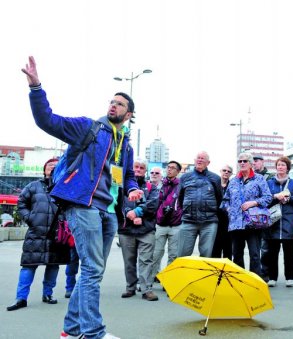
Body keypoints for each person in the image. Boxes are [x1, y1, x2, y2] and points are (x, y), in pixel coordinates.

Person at [23, 56, 143, 339]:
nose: (113, 104)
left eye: (120, 103)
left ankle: (71, 329)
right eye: (111, 101)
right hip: (83, 205)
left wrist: (134, 187)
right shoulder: (89, 128)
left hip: (108, 211)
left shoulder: (125, 145)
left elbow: (126, 176)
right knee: (91, 268)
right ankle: (93, 333)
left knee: (93, 272)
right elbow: (47, 120)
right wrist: (36, 88)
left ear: (129, 114)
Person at [7, 158, 67, 311]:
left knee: (53, 266)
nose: (53, 167)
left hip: (57, 234)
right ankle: (21, 298)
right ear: (44, 169)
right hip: (36, 233)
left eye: (56, 165)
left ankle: (48, 294)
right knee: (28, 266)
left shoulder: (65, 187)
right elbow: (21, 204)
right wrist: (30, 218)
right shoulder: (33, 186)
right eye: (50, 165)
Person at [221, 152, 272, 274]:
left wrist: (253, 203)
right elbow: (225, 200)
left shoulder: (259, 179)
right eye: (240, 161)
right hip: (236, 224)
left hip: (253, 223)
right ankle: (240, 281)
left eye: (245, 161)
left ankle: (255, 282)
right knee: (237, 255)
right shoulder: (233, 181)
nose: (242, 163)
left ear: (250, 164)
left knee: (254, 254)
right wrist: (229, 210)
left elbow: (268, 198)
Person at [118, 159, 159, 301]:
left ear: (145, 170)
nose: (138, 169)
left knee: (146, 260)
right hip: (126, 229)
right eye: (136, 167)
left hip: (146, 229)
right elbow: (118, 204)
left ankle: (146, 289)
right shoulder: (121, 186)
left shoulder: (151, 187)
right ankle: (130, 287)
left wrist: (138, 212)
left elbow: (153, 204)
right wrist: (130, 213)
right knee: (129, 260)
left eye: (142, 167)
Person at [265, 156, 293, 287]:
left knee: (289, 251)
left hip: (289, 220)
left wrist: (288, 199)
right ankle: (272, 277)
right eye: (278, 165)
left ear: (287, 168)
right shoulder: (269, 183)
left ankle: (290, 277)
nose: (280, 167)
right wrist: (276, 197)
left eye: (283, 165)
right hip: (273, 221)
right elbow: (264, 199)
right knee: (272, 252)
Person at [177, 152, 222, 257]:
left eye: (203, 158)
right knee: (182, 255)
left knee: (206, 256)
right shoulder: (185, 177)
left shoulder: (215, 178)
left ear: (208, 162)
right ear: (194, 160)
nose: (200, 160)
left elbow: (219, 199)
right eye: (198, 158)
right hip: (188, 221)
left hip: (209, 222)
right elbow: (180, 198)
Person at [152, 161, 183, 281]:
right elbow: (155, 202)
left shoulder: (181, 186)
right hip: (160, 223)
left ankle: (168, 280)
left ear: (178, 171)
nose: (169, 169)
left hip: (176, 224)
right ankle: (152, 276)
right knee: (156, 253)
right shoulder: (160, 185)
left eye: (173, 168)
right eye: (168, 167)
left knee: (173, 254)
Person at [254, 154, 274, 280]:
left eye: (256, 161)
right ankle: (255, 272)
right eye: (253, 161)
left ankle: (265, 272)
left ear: (262, 162)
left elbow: (271, 195)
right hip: (252, 214)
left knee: (265, 246)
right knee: (254, 246)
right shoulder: (249, 176)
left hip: (265, 213)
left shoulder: (270, 177)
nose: (254, 163)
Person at [212, 164, 233, 259]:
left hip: (228, 221)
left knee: (228, 248)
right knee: (215, 247)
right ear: (220, 171)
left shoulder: (233, 185)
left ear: (231, 174)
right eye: (224, 170)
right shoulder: (214, 184)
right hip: (215, 219)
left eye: (229, 171)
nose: (226, 172)